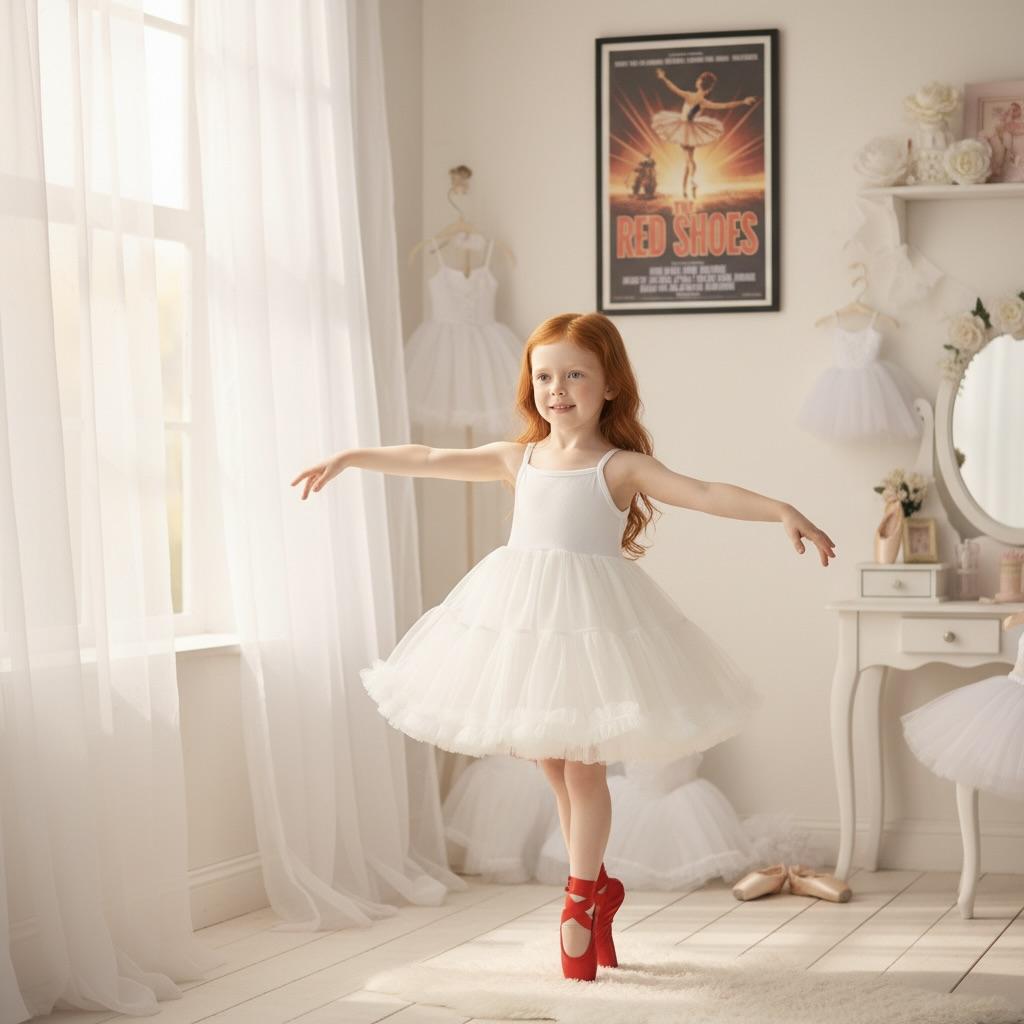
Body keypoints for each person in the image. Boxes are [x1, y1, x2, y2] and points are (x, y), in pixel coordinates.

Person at [291, 312, 836, 982]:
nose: (557, 389)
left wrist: (781, 510)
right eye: (545, 376)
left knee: (583, 769)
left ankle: (578, 903)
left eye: (575, 374)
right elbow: (429, 459)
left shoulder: (620, 466)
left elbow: (702, 492)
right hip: (527, 626)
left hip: (592, 628)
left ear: (609, 385)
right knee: (552, 762)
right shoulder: (515, 459)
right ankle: (600, 888)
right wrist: (351, 457)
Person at [651, 68, 757, 200]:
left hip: (684, 130)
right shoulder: (704, 102)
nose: (696, 80)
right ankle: (690, 184)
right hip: (691, 131)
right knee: (689, 160)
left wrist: (663, 78)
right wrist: (743, 102)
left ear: (700, 83)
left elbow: (674, 88)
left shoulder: (689, 95)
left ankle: (687, 187)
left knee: (688, 161)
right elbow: (725, 106)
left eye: (698, 79)